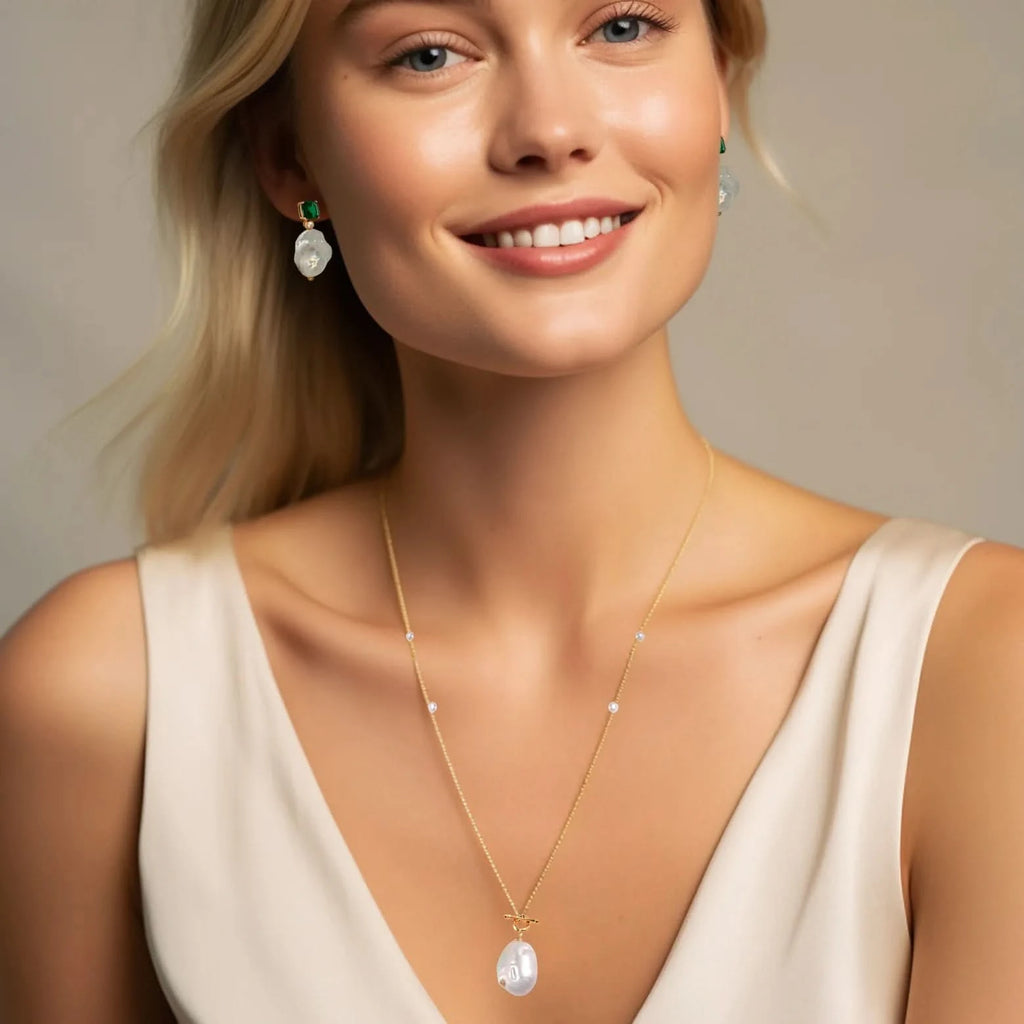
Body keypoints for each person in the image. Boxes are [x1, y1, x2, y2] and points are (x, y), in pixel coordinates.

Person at [2, 0, 1023, 1020]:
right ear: (288, 156)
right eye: (430, 53)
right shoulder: (105, 698)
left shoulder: (977, 672)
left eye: (620, 27)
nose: (547, 129)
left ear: (721, 79)